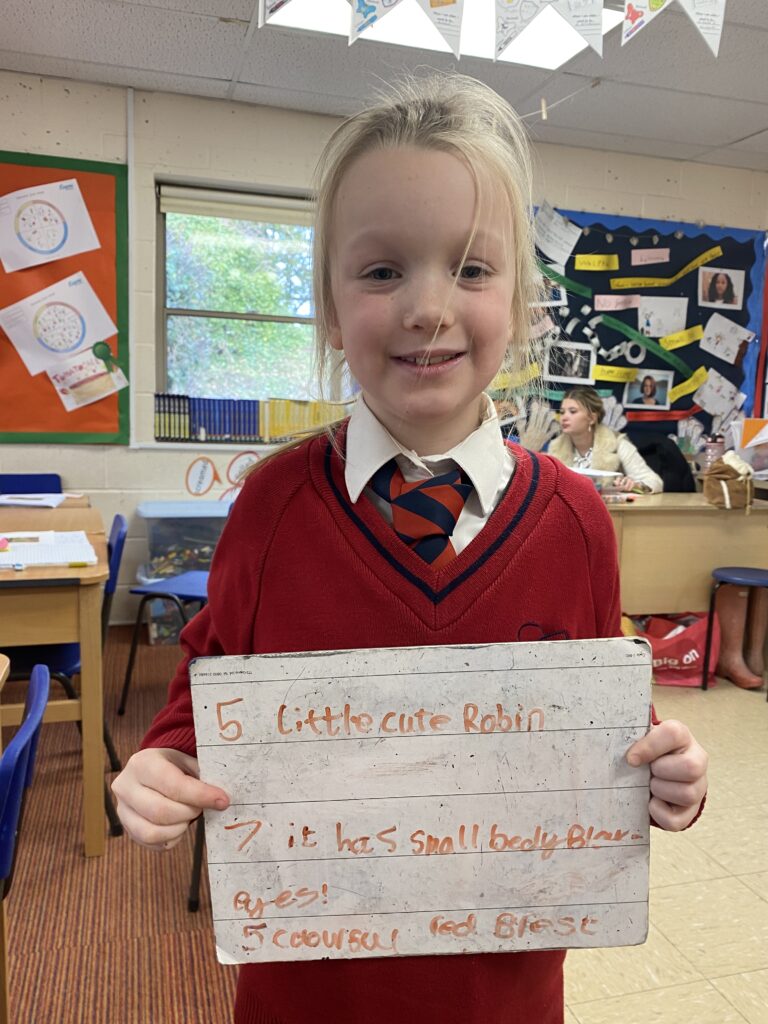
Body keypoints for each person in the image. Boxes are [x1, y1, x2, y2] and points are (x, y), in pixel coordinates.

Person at [112, 73, 707, 1024]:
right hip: (308, 987)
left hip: (504, 994)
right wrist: (163, 764)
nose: (429, 308)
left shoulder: (577, 523)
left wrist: (666, 775)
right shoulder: (270, 506)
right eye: (382, 271)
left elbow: (606, 731)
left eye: (471, 269)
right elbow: (209, 682)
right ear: (330, 307)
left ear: (520, 302)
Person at [549, 385, 664, 493]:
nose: (564, 417)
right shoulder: (555, 448)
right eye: (562, 412)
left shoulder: (617, 444)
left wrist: (636, 485)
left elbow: (655, 482)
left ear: (592, 418)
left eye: (572, 411)